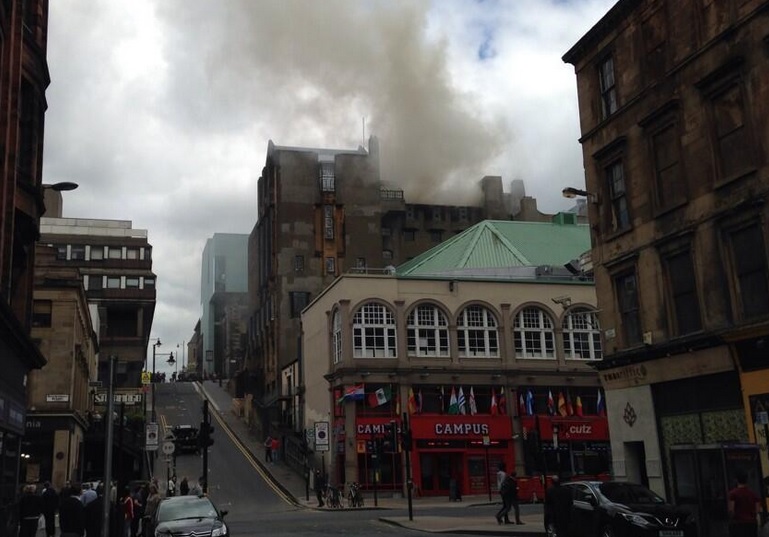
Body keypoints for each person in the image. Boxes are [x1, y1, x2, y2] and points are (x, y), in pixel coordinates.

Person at [728, 471, 761, 537]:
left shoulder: (732, 494)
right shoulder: (754, 494)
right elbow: (757, 510)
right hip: (751, 524)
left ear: (736, 480)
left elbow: (731, 510)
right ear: (747, 480)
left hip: (739, 524)